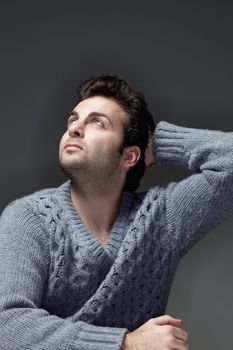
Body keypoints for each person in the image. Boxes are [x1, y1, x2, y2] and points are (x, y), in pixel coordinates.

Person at [0, 74, 233, 350]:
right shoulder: (29, 218)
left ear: (129, 156)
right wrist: (125, 343)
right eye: (73, 120)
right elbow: (7, 325)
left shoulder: (162, 218)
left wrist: (157, 143)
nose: (74, 129)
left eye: (97, 122)